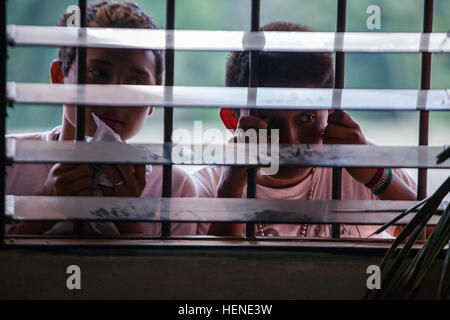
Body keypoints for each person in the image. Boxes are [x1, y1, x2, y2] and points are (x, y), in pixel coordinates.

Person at [193, 21, 417, 238]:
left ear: (330, 112)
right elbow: (214, 273)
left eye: (307, 118)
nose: (290, 141)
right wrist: (230, 192)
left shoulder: (361, 166)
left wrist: (376, 177)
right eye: (269, 121)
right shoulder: (208, 188)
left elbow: (434, 244)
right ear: (232, 120)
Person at [7, 1, 197, 236]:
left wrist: (127, 217)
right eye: (98, 73)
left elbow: (174, 272)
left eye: (137, 82)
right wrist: (44, 210)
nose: (115, 97)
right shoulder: (11, 166)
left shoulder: (174, 188)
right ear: (59, 78)